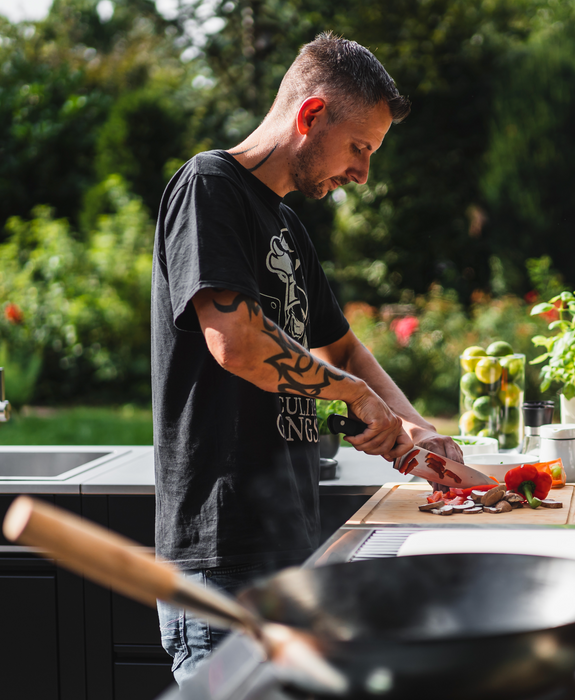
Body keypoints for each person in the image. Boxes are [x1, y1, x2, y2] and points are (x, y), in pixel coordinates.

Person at [150, 32, 463, 684]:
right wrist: (350, 395)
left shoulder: (287, 227)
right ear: (311, 115)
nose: (361, 173)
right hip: (222, 560)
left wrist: (415, 429)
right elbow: (233, 342)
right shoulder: (209, 188)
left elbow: (341, 344)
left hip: (290, 548)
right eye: (358, 148)